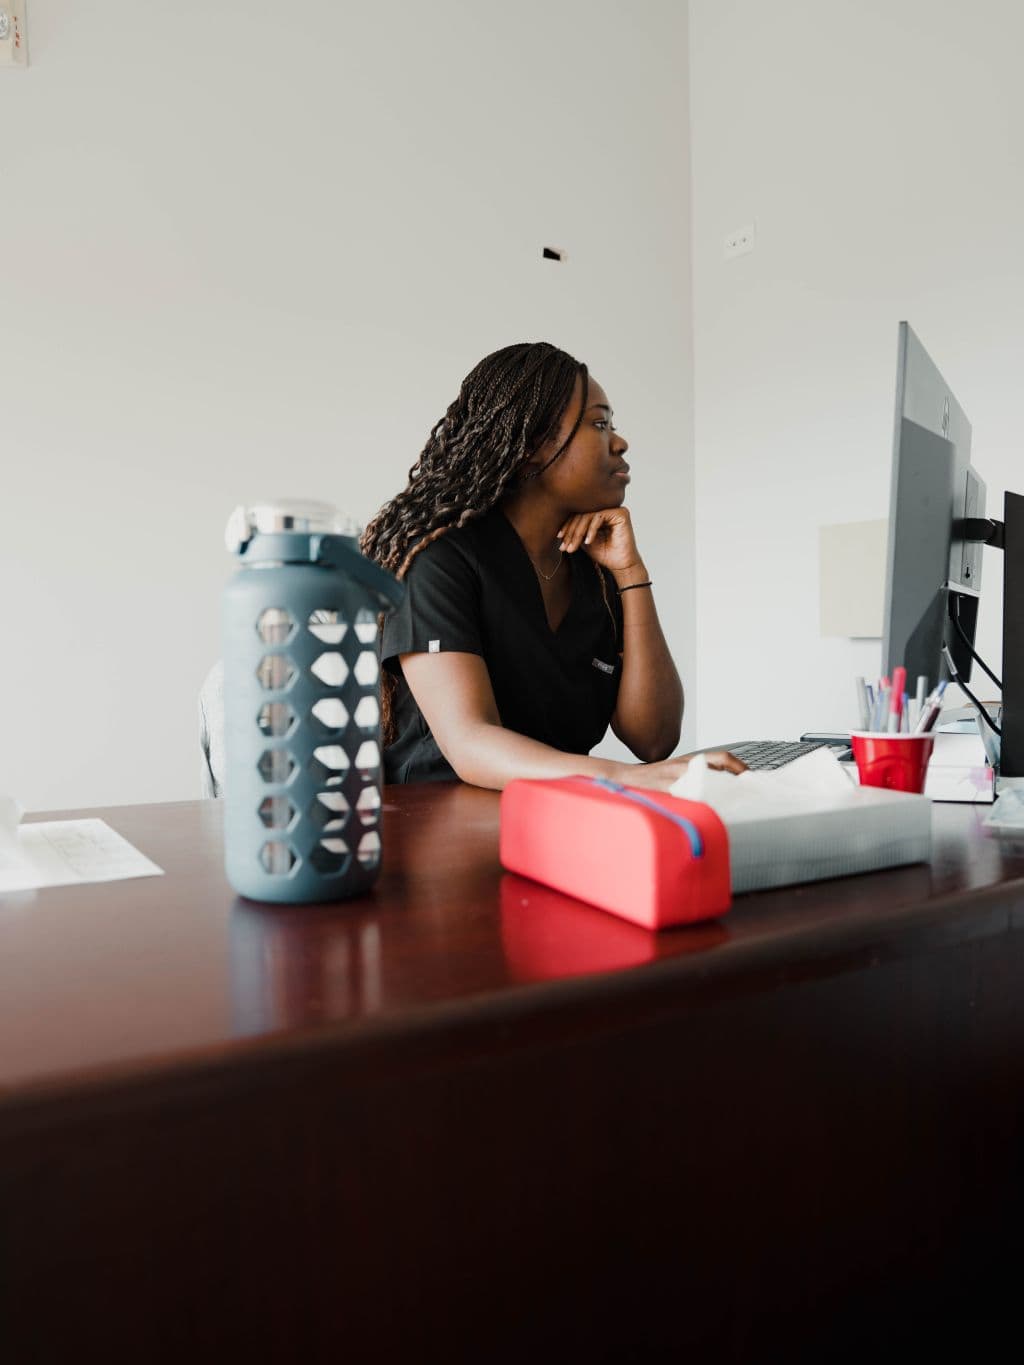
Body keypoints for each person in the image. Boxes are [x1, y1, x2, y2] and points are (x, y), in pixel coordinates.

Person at [360, 342, 745, 789]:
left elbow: (653, 739)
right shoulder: (438, 559)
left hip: (553, 821)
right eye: (599, 424)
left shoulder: (593, 570)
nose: (620, 442)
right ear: (533, 446)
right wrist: (628, 779)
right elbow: (470, 743)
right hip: (439, 827)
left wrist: (631, 575)